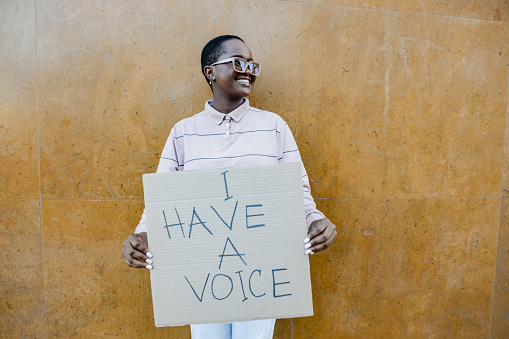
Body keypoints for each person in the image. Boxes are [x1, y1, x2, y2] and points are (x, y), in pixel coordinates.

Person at [121, 35, 337, 339]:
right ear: (211, 72)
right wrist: (141, 237)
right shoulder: (184, 133)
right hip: (204, 275)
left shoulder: (274, 126)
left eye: (252, 65)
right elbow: (163, 201)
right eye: (238, 62)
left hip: (262, 272)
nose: (247, 70)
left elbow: (296, 191)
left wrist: (316, 221)